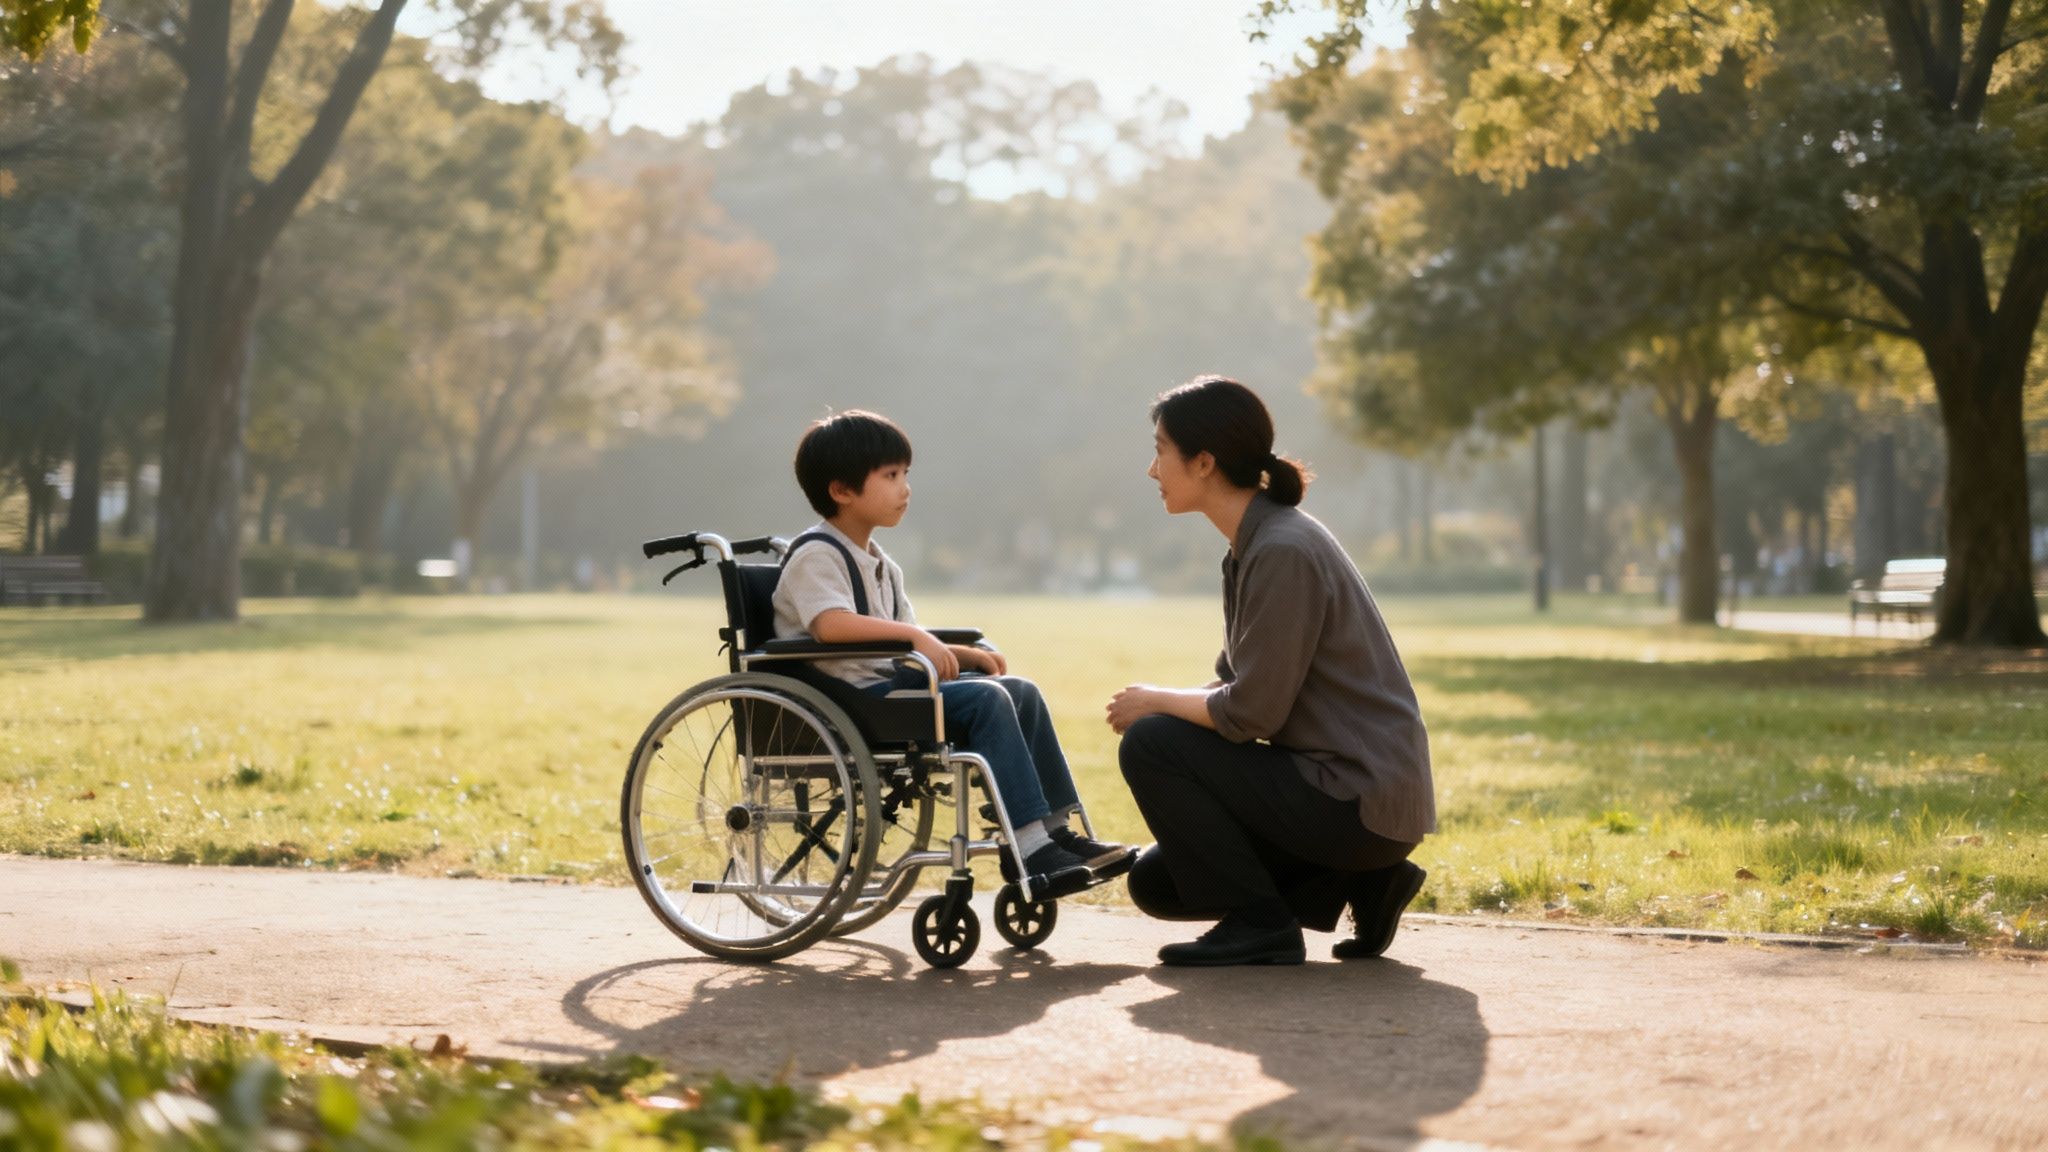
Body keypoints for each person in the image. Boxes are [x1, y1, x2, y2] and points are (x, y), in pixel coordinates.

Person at [1106, 376, 1435, 966]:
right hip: (1343, 795)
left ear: (1203, 462)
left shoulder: (1282, 549)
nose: (1152, 470)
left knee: (1152, 743)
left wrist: (1155, 701)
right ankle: (1363, 883)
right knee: (1158, 882)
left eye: (1160, 450)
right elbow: (1241, 688)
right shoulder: (1254, 547)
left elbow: (1250, 712)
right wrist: (1167, 701)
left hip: (1358, 797)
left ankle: (1262, 925)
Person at [773, 409, 1132, 898]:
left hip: (891, 687)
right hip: (851, 699)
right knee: (987, 701)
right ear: (842, 490)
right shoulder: (816, 553)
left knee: (1018, 691)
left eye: (906, 475)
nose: (906, 488)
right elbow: (831, 625)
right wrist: (915, 639)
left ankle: (1055, 829)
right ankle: (1028, 846)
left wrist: (961, 653)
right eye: (891, 476)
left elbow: (910, 633)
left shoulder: (881, 563)